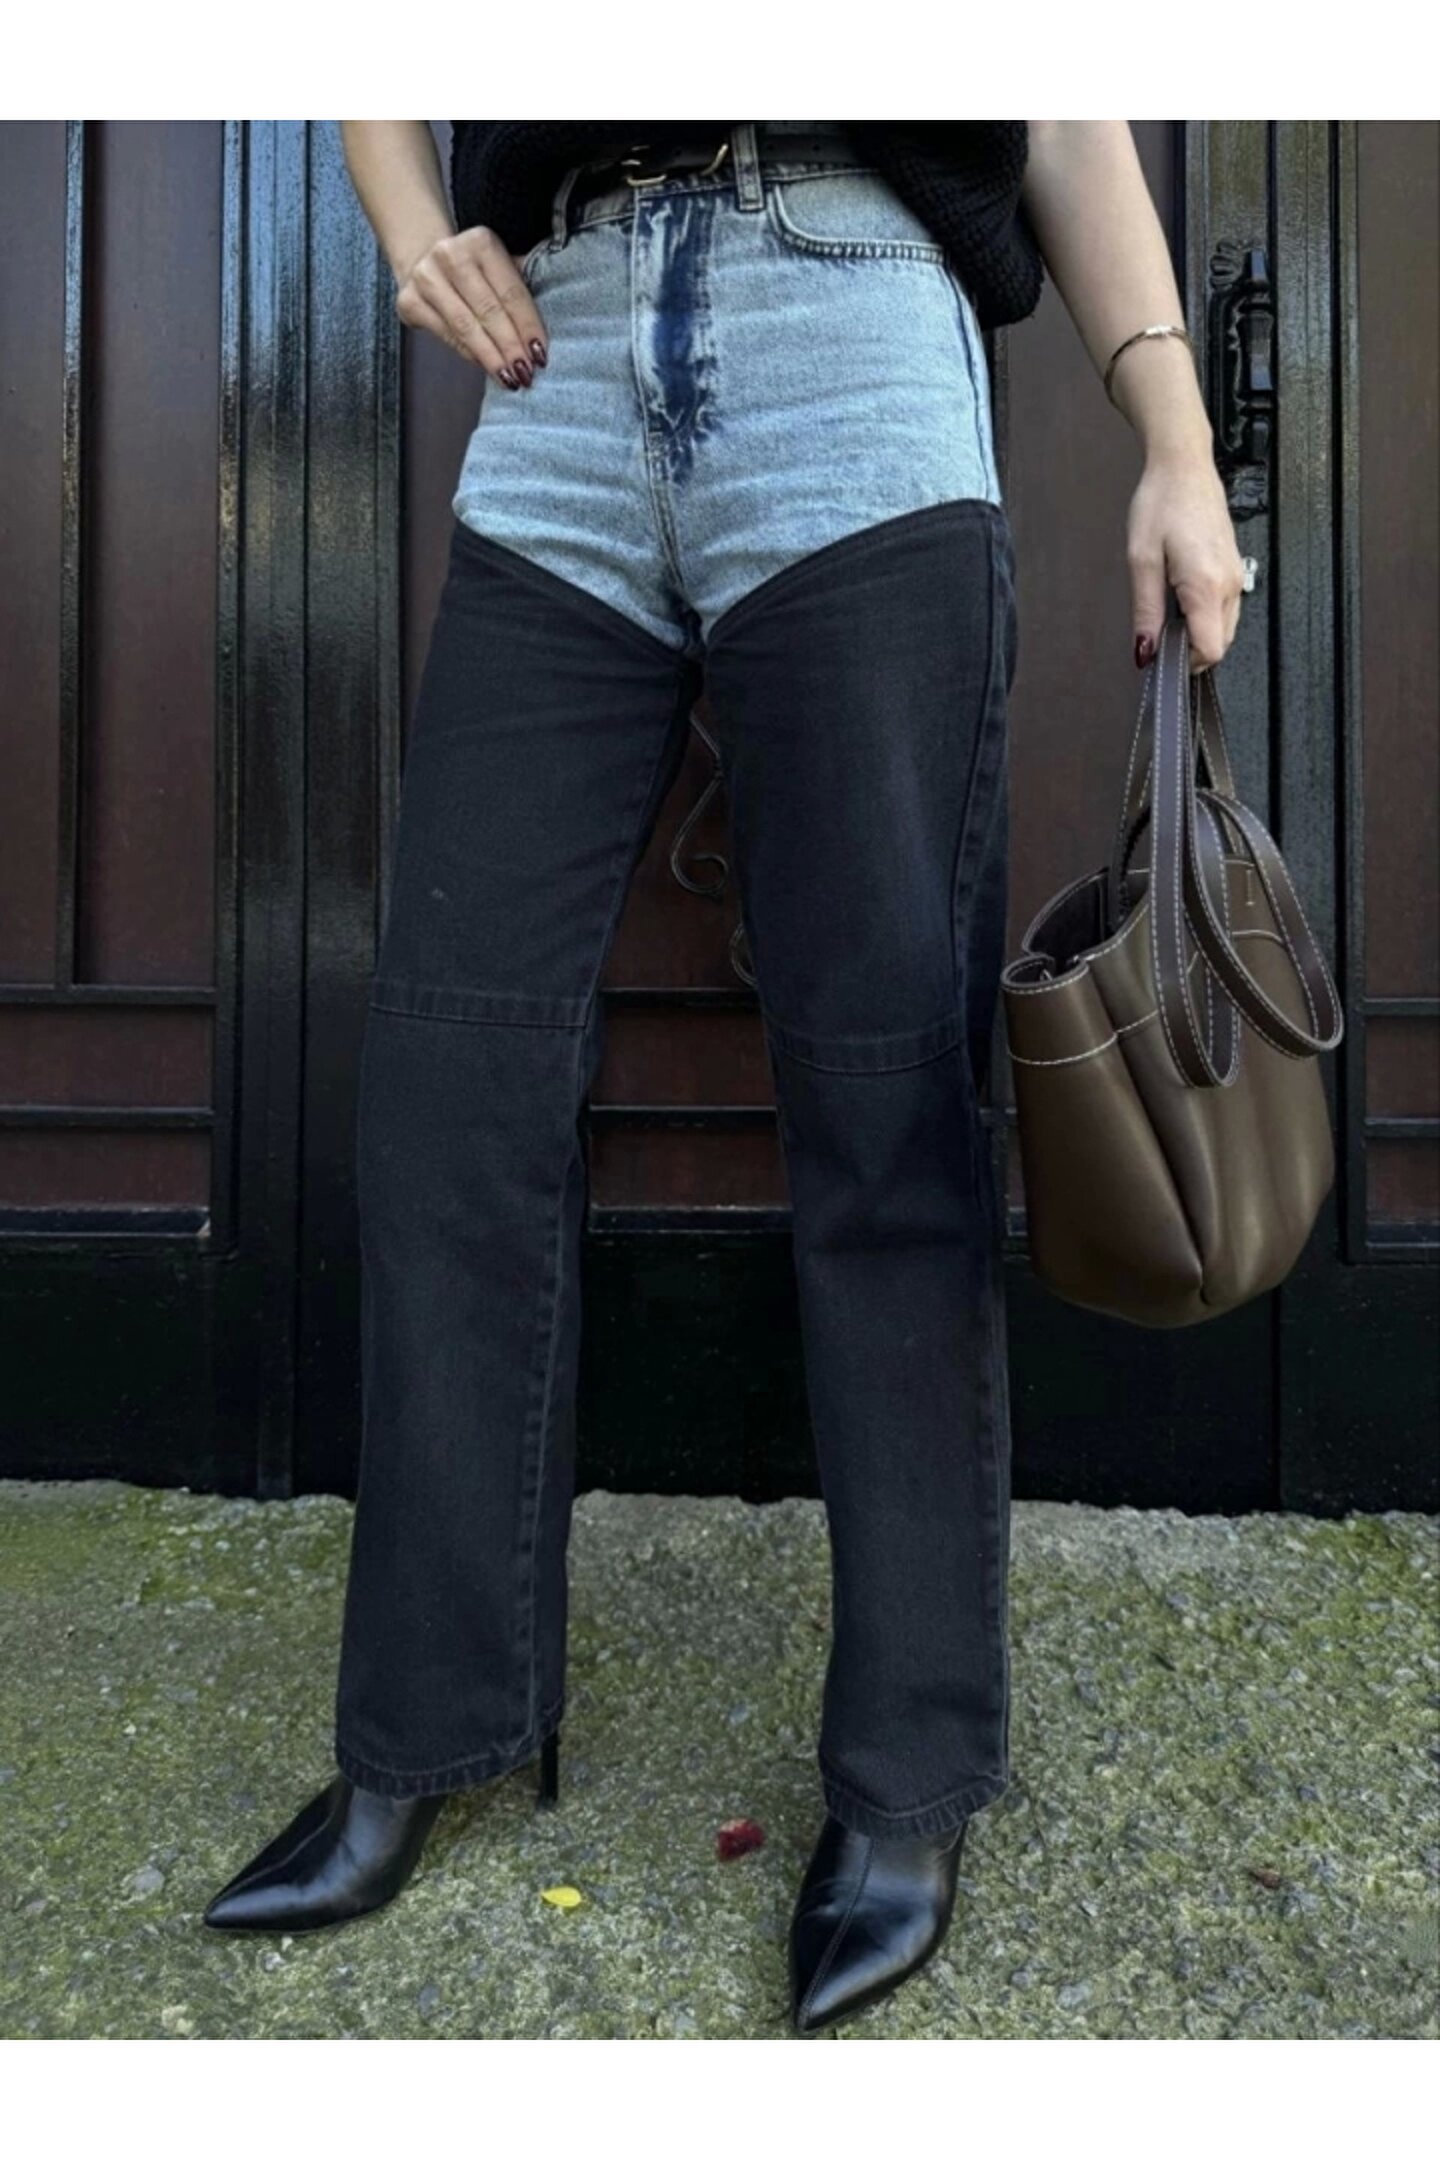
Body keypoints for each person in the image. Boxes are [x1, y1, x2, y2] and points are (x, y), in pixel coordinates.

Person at [203, 120, 1247, 2035]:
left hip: (854, 338)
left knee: (886, 1104)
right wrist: (414, 225)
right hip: (564, 362)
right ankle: (427, 1732)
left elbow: (1056, 105)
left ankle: (911, 1777)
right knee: (445, 1088)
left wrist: (1174, 441)